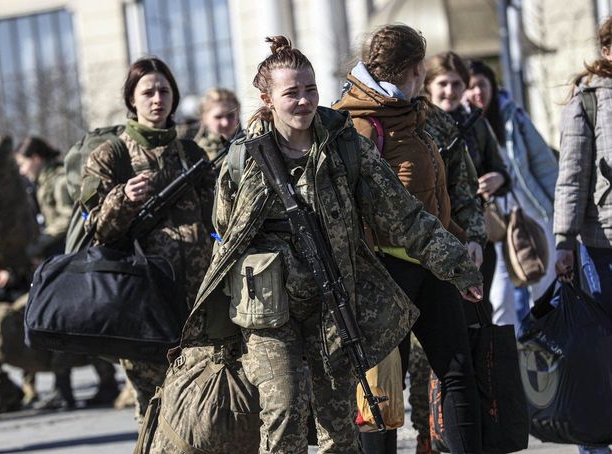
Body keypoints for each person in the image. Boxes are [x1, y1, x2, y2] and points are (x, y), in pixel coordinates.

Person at [180, 35, 483, 453]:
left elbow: (404, 214)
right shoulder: (243, 160)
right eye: (292, 93)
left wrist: (458, 266)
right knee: (284, 416)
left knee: (338, 430)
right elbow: (225, 238)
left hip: (330, 303)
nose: (304, 101)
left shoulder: (344, 147)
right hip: (269, 312)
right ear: (267, 98)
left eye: (310, 89)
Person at [333, 24, 483, 454]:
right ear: (416, 69)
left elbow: (439, 196)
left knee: (456, 371)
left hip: (434, 266)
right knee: (383, 389)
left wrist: (459, 248)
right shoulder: (357, 124)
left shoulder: (416, 116)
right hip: (384, 274)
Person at [80, 56, 215, 424]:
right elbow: (98, 233)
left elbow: (217, 218)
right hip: (144, 304)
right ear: (132, 100)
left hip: (198, 304)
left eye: (164, 91)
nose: (157, 99)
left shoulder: (191, 153)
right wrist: (123, 198)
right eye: (148, 92)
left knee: (204, 412)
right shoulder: (111, 155)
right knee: (155, 412)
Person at [15, 137, 120, 409]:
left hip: (68, 256)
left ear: (36, 158)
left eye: (24, 163)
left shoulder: (59, 181)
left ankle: (89, 385)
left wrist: (38, 244)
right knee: (70, 321)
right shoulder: (44, 181)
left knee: (71, 320)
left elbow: (66, 218)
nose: (22, 170)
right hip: (60, 257)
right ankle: (73, 387)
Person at [554, 18, 612, 454]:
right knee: (601, 350)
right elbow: (571, 178)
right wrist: (564, 242)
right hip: (601, 244)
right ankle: (597, 442)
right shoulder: (588, 102)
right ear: (607, 50)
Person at [465, 60, 558, 327]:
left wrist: (556, 211)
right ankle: (512, 359)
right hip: (492, 225)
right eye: (470, 87)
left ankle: (548, 348)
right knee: (498, 295)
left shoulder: (511, 116)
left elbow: (543, 163)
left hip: (530, 214)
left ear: (492, 86)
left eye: (482, 84)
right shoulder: (459, 126)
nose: (477, 92)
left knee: (542, 283)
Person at [425, 51, 511, 322]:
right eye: (443, 84)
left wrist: (499, 179)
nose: (449, 91)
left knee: (480, 318)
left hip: (476, 237)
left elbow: (499, 169)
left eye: (456, 84)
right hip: (434, 238)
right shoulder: (417, 124)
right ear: (428, 86)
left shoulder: (477, 124)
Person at [194, 87, 240, 160]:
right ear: (205, 118)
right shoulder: (195, 153)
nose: (225, 123)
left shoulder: (250, 146)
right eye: (218, 117)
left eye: (230, 115)